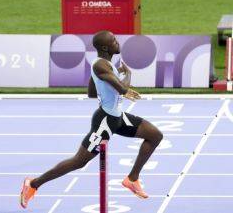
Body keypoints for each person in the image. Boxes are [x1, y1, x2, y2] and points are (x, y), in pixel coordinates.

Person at [20, 31, 163, 208]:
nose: (118, 43)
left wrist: (117, 82)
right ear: (105, 47)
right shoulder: (100, 66)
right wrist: (126, 81)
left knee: (155, 135)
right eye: (114, 41)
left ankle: (132, 179)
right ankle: (33, 184)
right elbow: (120, 88)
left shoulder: (105, 65)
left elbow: (91, 93)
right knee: (78, 161)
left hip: (117, 117)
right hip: (105, 122)